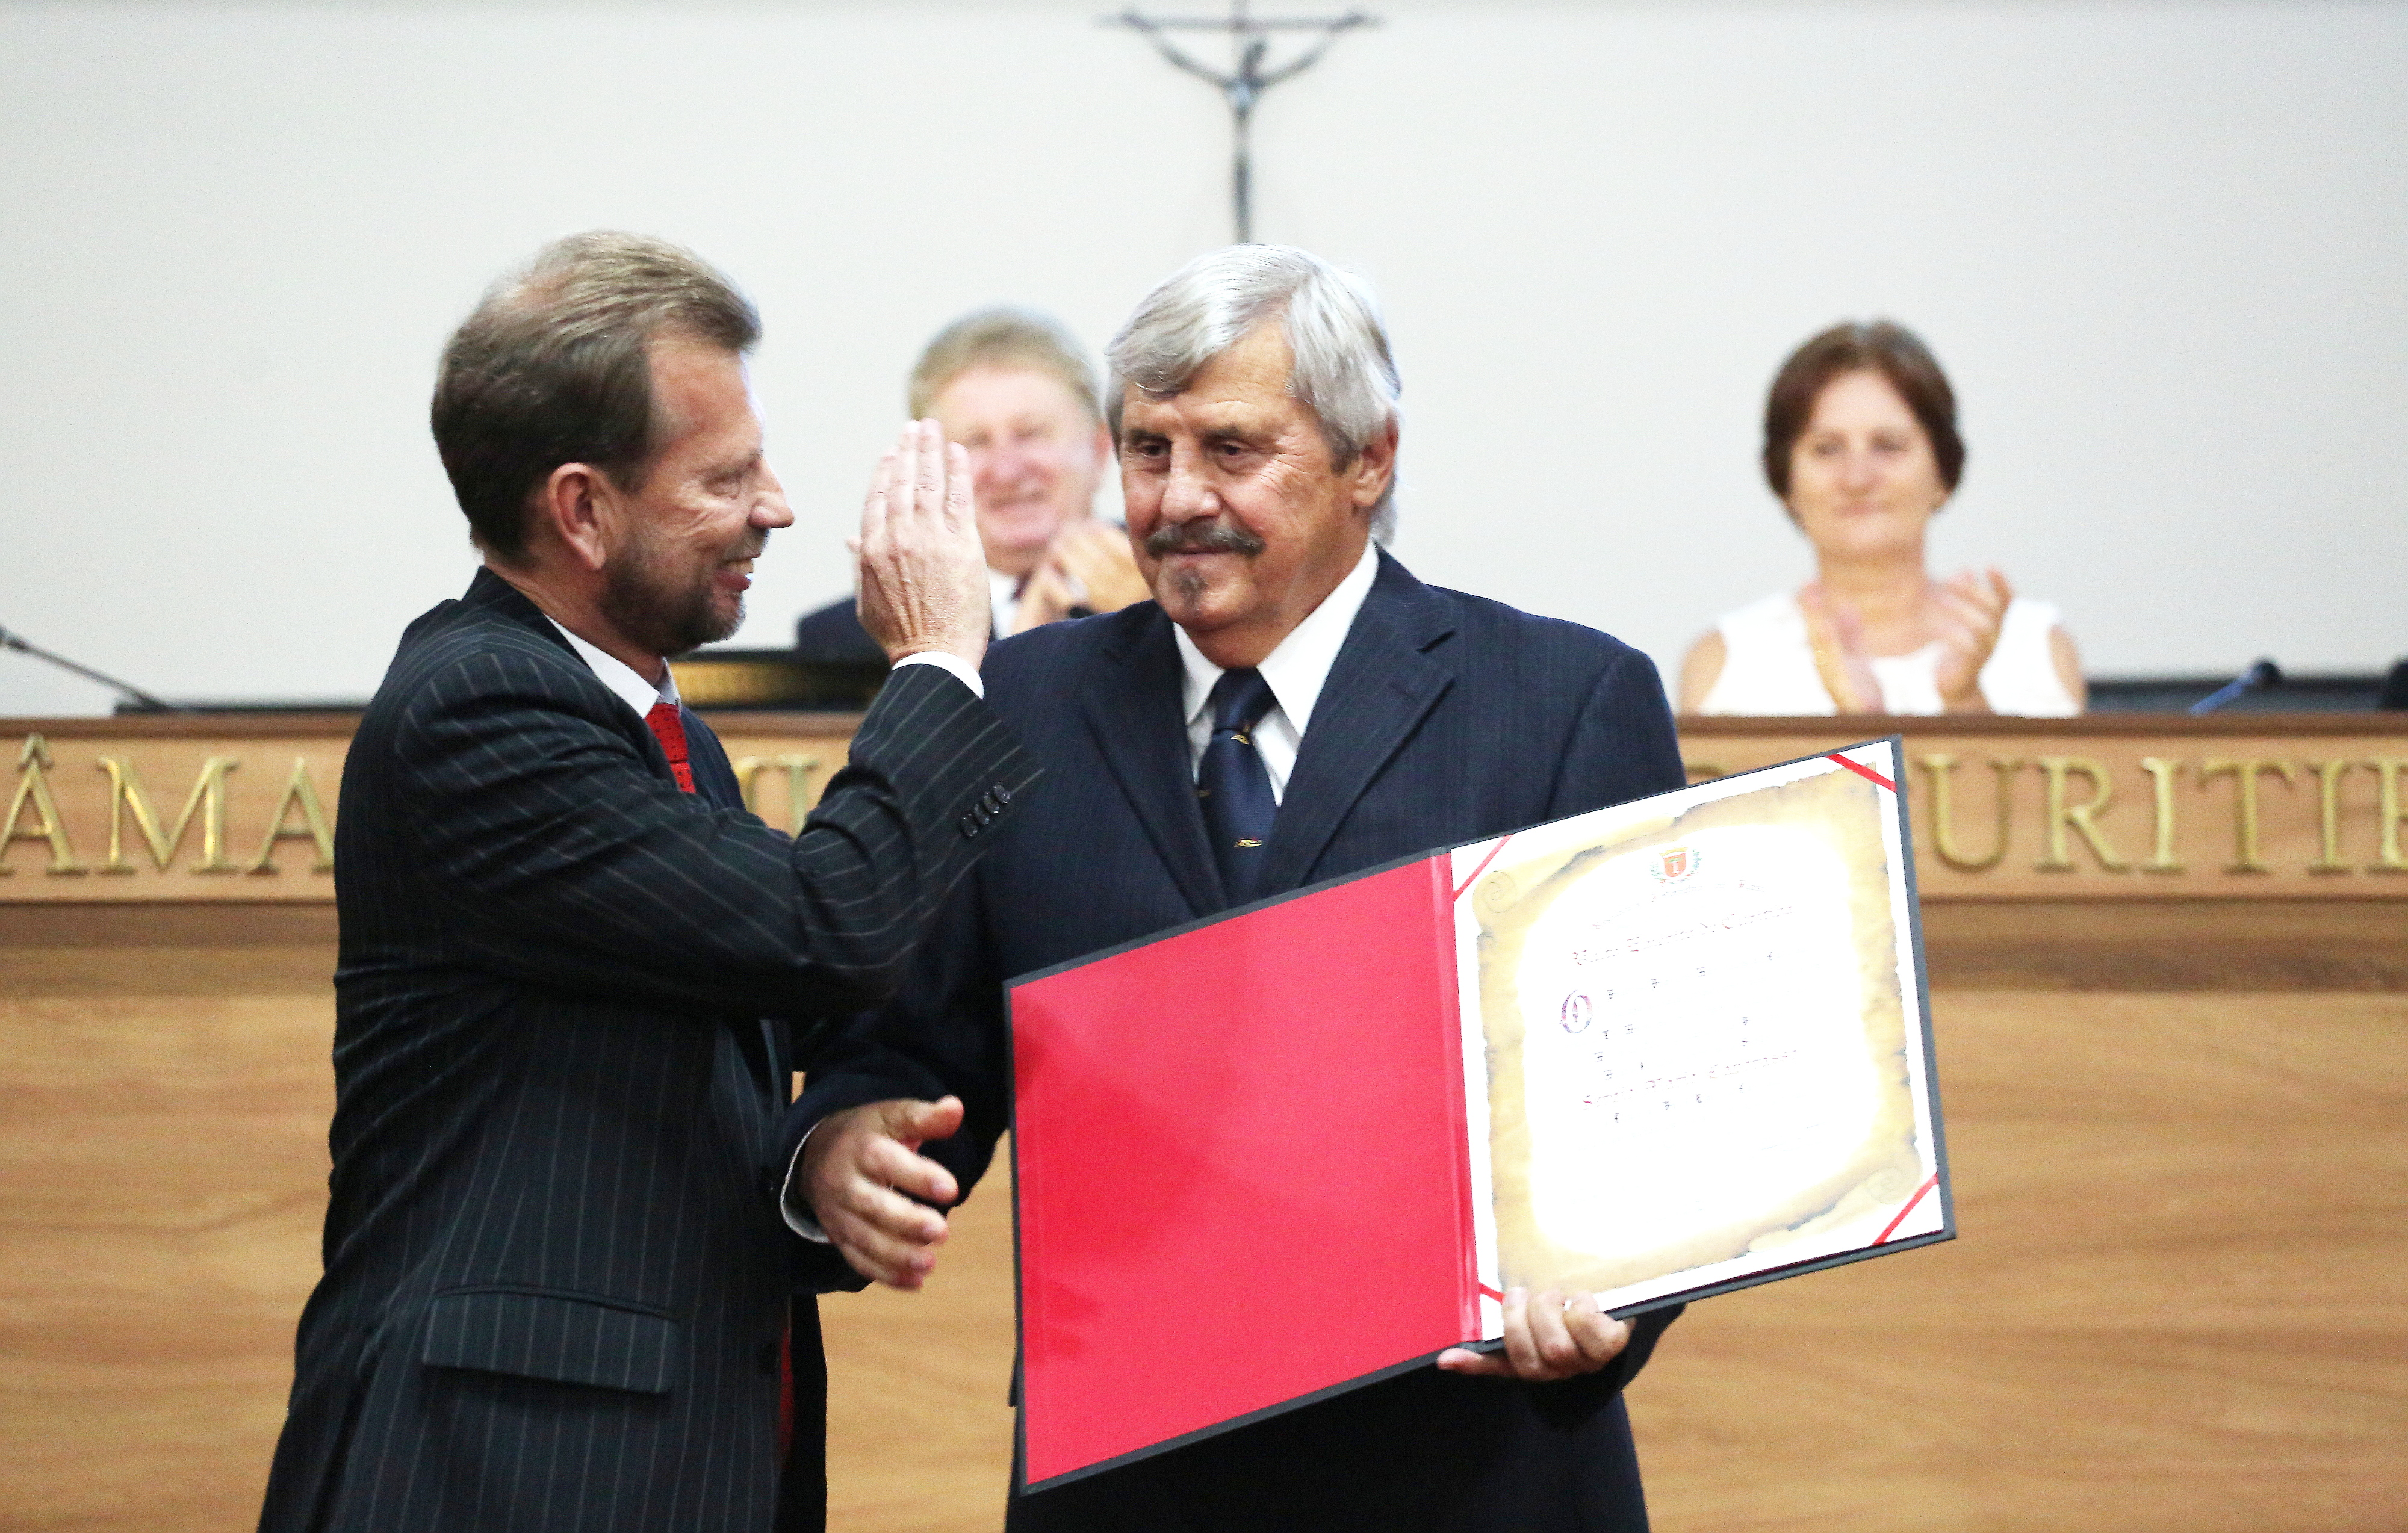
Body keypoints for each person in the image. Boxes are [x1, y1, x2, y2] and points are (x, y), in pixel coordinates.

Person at [783, 245, 1685, 1532]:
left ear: (1368, 455)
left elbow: (1645, 1093)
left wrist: (1612, 1300)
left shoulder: (1559, 699)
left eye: (1230, 448)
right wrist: (843, 1145)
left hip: (1468, 1465)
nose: (1175, 498)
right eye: (1146, 450)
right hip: (1127, 1478)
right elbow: (904, 1042)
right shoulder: (1018, 701)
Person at [256, 233, 1035, 1533]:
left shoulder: (652, 730)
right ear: (581, 508)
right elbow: (830, 923)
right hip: (492, 1474)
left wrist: (816, 1163)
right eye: (725, 477)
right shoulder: (479, 709)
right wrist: (940, 661)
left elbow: (711, 1079)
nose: (777, 507)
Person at [1681, 320, 2085, 716]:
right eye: (1826, 449)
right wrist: (1862, 727)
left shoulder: (2036, 649)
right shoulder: (1725, 664)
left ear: (1943, 472)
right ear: (1786, 481)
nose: (1857, 478)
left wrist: (1966, 703)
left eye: (1889, 446)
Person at [793, 308, 1150, 662]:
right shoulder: (852, 638)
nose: (1006, 470)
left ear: (1102, 449)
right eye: (977, 442)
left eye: (1030, 434)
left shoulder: (1170, 590)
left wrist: (1153, 622)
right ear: (929, 469)